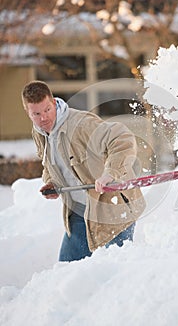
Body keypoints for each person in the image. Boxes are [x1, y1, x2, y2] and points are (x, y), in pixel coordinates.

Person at [21, 80, 146, 262]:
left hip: (112, 209)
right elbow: (51, 162)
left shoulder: (81, 124)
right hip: (79, 213)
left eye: (47, 109)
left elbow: (122, 139)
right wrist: (52, 182)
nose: (43, 118)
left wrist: (109, 173)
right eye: (36, 114)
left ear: (54, 103)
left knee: (115, 272)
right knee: (65, 271)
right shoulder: (40, 132)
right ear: (28, 112)